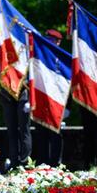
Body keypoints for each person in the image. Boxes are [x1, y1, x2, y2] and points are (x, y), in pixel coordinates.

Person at [32, 29, 65, 166]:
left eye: (51, 40)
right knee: (41, 135)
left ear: (58, 42)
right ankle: (42, 164)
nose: (48, 43)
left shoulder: (63, 58)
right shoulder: (40, 58)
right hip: (42, 102)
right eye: (47, 40)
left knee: (55, 136)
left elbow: (67, 83)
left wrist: (67, 107)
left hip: (58, 102)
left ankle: (56, 164)